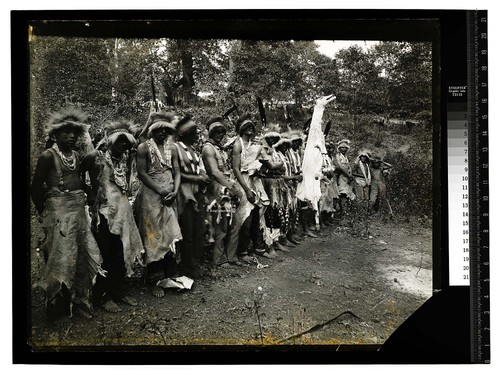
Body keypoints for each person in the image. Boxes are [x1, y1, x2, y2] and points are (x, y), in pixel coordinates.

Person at [30, 107, 103, 320]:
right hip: (58, 213)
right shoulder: (47, 156)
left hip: (77, 211)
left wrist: (90, 193)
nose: (71, 137)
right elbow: (35, 187)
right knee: (59, 257)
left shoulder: (77, 156)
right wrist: (45, 211)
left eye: (74, 133)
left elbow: (78, 181)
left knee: (81, 255)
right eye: (65, 133)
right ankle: (56, 306)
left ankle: (79, 301)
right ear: (55, 135)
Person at [81, 119, 144, 313]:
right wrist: (90, 193)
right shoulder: (96, 156)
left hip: (122, 209)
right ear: (110, 140)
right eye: (120, 141)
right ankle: (103, 295)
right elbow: (75, 174)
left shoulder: (125, 157)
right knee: (105, 253)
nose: (124, 145)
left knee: (121, 250)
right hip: (103, 212)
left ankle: (119, 291)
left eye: (127, 141)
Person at [133, 112, 183, 298]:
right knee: (153, 234)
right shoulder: (143, 148)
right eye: (159, 130)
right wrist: (160, 191)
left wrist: (175, 191)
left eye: (166, 130)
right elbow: (142, 174)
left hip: (170, 194)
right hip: (151, 196)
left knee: (170, 233)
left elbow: (177, 170)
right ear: (152, 131)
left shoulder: (174, 148)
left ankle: (171, 275)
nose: (163, 133)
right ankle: (155, 279)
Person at [171, 115, 211, 278]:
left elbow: (198, 170)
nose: (198, 135)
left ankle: (195, 262)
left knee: (199, 230)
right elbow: (175, 174)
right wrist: (197, 178)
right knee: (187, 231)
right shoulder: (175, 148)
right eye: (194, 132)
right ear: (185, 133)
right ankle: (187, 266)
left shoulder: (194, 150)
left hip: (197, 193)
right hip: (183, 194)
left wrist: (203, 177)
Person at [201, 117, 242, 268]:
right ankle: (219, 258)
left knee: (235, 223)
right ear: (210, 133)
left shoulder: (221, 148)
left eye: (221, 132)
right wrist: (233, 187)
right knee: (221, 225)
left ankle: (232, 256)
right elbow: (214, 172)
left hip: (227, 188)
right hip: (217, 191)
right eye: (216, 132)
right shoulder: (208, 148)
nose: (219, 134)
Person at [227, 114, 268, 263]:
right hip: (242, 182)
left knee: (257, 214)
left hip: (254, 181)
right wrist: (246, 189)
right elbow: (236, 169)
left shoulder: (254, 144)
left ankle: (256, 247)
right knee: (244, 217)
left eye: (252, 126)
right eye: (247, 127)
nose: (250, 129)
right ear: (241, 129)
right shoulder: (238, 144)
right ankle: (241, 251)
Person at [259, 128, 289, 257]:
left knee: (277, 212)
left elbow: (281, 169)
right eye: (270, 138)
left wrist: (278, 165)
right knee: (269, 213)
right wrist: (279, 164)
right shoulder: (263, 149)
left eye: (275, 139)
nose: (272, 141)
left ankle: (275, 241)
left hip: (276, 183)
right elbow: (271, 166)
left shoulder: (275, 151)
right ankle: (268, 244)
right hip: (267, 183)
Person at [285, 131, 305, 243]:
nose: (296, 144)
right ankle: (287, 235)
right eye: (294, 141)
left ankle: (293, 231)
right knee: (289, 210)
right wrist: (294, 176)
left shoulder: (298, 153)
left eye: (298, 141)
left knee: (295, 209)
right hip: (289, 183)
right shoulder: (287, 153)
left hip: (296, 183)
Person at [335, 139, 356, 224]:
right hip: (341, 177)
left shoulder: (346, 157)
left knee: (347, 195)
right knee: (342, 194)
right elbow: (339, 167)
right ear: (339, 148)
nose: (343, 149)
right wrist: (348, 175)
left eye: (345, 148)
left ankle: (344, 214)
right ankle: (343, 216)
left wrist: (350, 176)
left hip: (346, 178)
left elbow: (348, 167)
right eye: (342, 148)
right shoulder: (338, 156)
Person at [352, 150, 372, 214]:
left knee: (366, 197)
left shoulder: (367, 165)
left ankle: (365, 212)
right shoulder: (357, 164)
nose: (363, 158)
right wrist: (361, 175)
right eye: (362, 157)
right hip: (359, 181)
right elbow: (352, 172)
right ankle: (359, 212)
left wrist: (366, 177)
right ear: (360, 157)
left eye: (365, 157)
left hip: (366, 181)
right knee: (360, 197)